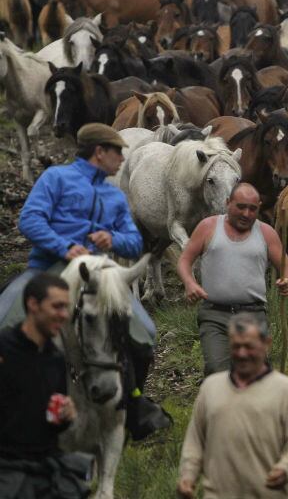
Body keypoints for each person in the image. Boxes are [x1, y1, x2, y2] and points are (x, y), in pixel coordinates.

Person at [0, 123, 166, 439]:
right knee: (4, 322)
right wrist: (63, 245)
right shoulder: (55, 178)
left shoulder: (114, 196)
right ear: (99, 152)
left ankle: (133, 407)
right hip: (47, 270)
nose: (122, 159)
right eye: (117, 152)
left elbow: (134, 242)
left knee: (144, 334)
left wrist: (112, 238)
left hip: (98, 277)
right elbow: (29, 219)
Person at [177, 312, 288, 499]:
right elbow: (195, 440)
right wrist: (188, 475)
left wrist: (287, 467)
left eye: (249, 346)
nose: (242, 354)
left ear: (266, 344)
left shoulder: (285, 389)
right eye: (236, 346)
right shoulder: (211, 388)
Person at [177, 182, 288, 376]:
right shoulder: (208, 227)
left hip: (253, 313)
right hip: (214, 314)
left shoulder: (266, 233)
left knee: (253, 373)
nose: (246, 214)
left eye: (252, 209)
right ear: (228, 203)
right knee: (217, 370)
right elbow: (184, 261)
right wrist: (190, 283)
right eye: (241, 207)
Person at [0, 273, 90, 499]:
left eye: (66, 307)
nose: (64, 315)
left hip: (46, 468)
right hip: (7, 470)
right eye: (57, 307)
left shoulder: (56, 359)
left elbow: (50, 424)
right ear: (33, 304)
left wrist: (65, 416)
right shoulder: (4, 348)